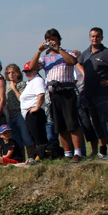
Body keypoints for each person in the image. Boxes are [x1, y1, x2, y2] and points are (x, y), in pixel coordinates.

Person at [29, 28, 85, 162]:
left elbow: (73, 61)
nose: (51, 42)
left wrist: (59, 49)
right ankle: (67, 152)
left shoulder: (67, 52)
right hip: (54, 93)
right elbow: (32, 67)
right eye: (48, 40)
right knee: (61, 125)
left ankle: (78, 152)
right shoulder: (45, 58)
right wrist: (39, 51)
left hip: (67, 91)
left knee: (72, 123)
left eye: (53, 39)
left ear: (59, 40)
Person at [77, 27, 108, 158]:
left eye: (97, 36)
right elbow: (78, 63)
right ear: (89, 37)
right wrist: (84, 73)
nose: (95, 38)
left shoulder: (106, 53)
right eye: (93, 36)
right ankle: (102, 149)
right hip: (89, 93)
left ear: (102, 38)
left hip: (103, 94)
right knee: (96, 122)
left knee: (107, 121)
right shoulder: (86, 53)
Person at [5, 63, 35, 160]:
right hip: (11, 115)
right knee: (17, 140)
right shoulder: (6, 87)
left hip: (20, 114)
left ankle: (31, 158)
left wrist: (14, 88)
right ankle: (21, 159)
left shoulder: (22, 84)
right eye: (9, 73)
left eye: (13, 72)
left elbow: (22, 99)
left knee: (26, 138)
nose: (11, 74)